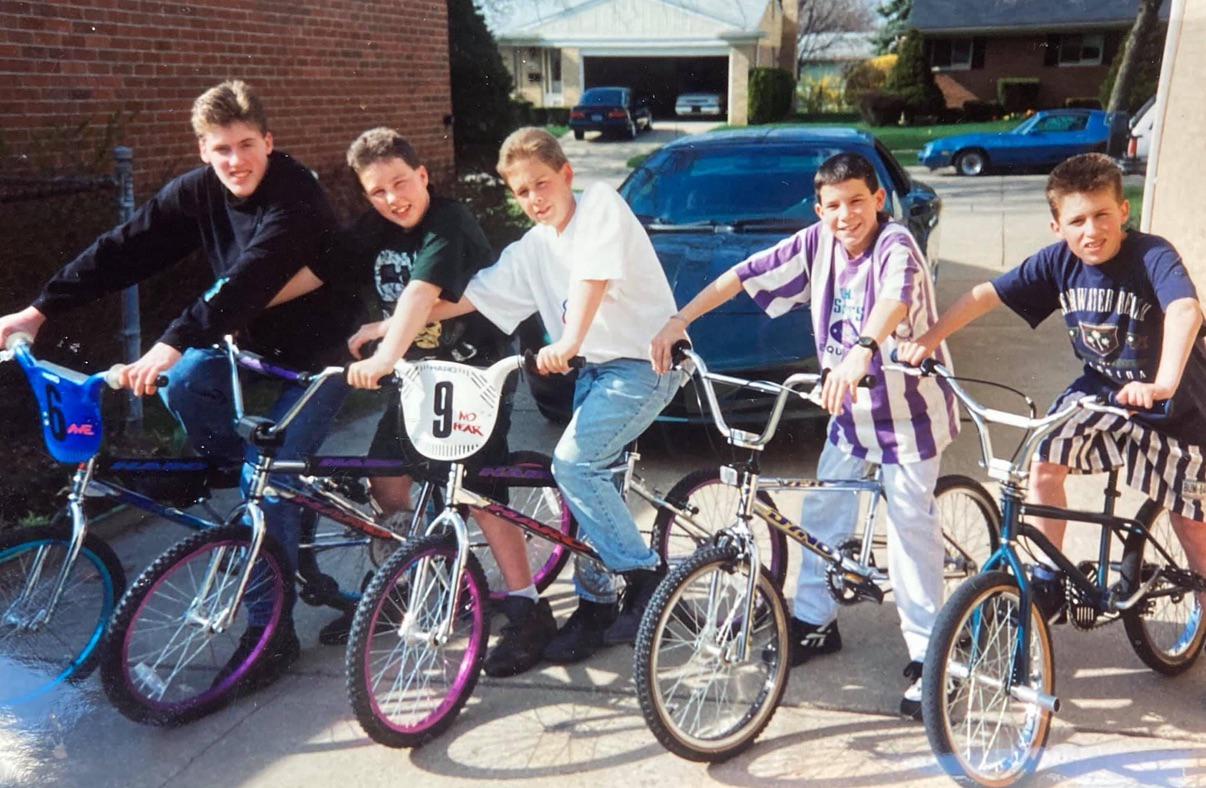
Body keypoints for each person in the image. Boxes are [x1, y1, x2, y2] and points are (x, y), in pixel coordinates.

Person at [0, 80, 360, 693]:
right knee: (185, 386)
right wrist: (39, 310)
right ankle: (266, 499)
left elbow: (249, 278)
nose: (235, 161)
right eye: (221, 149)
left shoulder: (295, 193)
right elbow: (125, 247)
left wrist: (169, 342)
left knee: (264, 479)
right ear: (202, 150)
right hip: (247, 345)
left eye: (246, 145)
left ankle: (271, 633)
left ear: (268, 141)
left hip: (321, 356)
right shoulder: (200, 191)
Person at [350, 127, 685, 674]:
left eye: (542, 184)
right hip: (594, 371)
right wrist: (389, 327)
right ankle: (597, 607)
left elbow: (592, 279)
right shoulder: (533, 247)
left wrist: (569, 342)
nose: (534, 199)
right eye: (521, 191)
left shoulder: (601, 204)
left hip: (645, 363)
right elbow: (469, 298)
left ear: (567, 175)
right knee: (585, 485)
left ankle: (647, 578)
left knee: (575, 465)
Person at [650, 152, 959, 719]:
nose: (846, 215)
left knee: (908, 526)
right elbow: (742, 275)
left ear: (879, 200)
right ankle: (815, 620)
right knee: (822, 511)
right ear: (819, 209)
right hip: (849, 409)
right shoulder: (818, 242)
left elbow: (895, 300)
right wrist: (680, 320)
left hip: (908, 412)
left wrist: (863, 350)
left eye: (857, 202)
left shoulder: (895, 244)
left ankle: (930, 654)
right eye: (833, 205)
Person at [899, 152, 1206, 624]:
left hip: (1176, 404)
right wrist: (928, 340)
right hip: (1103, 390)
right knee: (1045, 460)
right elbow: (986, 295)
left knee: (1189, 521)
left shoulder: (1151, 255)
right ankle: (1049, 579)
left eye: (1102, 215)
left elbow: (1186, 311)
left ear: (1124, 211)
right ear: (1056, 226)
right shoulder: (1058, 261)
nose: (1091, 231)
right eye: (1077, 220)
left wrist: (1162, 383)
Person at [269, 127, 528, 661]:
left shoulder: (449, 222)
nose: (392, 198)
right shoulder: (376, 227)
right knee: (386, 479)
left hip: (474, 373)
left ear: (423, 175)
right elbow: (319, 271)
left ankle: (526, 606)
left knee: (477, 493)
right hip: (421, 378)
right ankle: (409, 580)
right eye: (377, 191)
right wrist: (249, 304)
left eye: (401, 183)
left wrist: (384, 354)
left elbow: (419, 294)